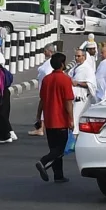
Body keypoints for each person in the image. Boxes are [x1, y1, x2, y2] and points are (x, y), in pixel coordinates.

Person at [34, 53, 75, 184]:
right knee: (60, 149)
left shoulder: (46, 79)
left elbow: (42, 100)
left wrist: (38, 116)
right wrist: (71, 119)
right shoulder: (65, 80)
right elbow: (68, 102)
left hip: (49, 119)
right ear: (62, 64)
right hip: (61, 120)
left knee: (54, 149)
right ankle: (43, 161)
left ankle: (58, 175)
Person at [28, 45, 57, 137]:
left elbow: (49, 74)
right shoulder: (49, 62)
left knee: (45, 107)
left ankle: (41, 128)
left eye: (45, 51)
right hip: (44, 89)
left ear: (50, 51)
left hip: (47, 89)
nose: (44, 53)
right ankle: (41, 126)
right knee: (43, 107)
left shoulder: (51, 63)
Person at [70, 49, 97, 134]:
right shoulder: (75, 67)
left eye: (79, 56)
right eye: (75, 56)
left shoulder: (87, 69)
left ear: (84, 57)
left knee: (77, 119)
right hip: (73, 98)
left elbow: (91, 84)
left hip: (82, 99)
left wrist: (78, 83)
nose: (76, 58)